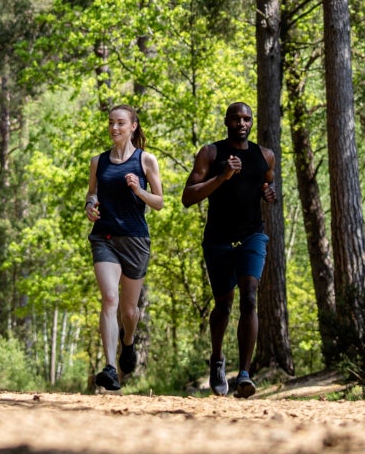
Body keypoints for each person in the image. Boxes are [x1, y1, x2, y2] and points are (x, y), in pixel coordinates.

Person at [183, 101, 276, 397]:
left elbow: (265, 183)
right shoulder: (211, 153)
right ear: (226, 121)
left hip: (252, 236)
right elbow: (187, 197)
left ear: (252, 122)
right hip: (218, 239)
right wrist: (221, 177)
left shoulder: (265, 156)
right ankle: (218, 359)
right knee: (223, 305)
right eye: (236, 118)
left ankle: (245, 375)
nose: (242, 123)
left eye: (247, 118)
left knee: (249, 296)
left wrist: (267, 192)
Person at [86, 104, 164, 391]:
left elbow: (159, 202)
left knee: (129, 311)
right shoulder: (98, 161)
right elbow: (91, 193)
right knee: (109, 298)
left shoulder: (146, 160)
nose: (114, 128)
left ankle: (127, 344)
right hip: (104, 236)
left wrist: (138, 190)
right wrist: (90, 206)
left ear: (133, 126)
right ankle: (109, 367)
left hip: (135, 240)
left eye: (120, 123)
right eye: (111, 123)